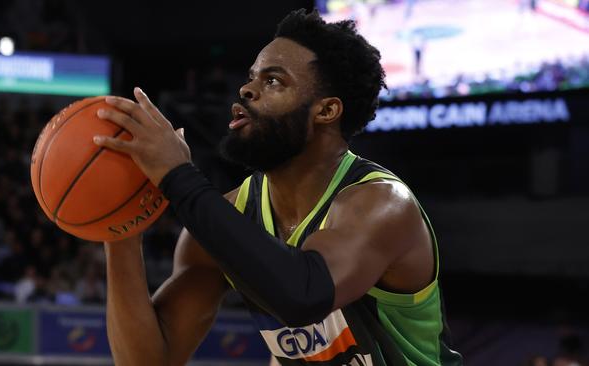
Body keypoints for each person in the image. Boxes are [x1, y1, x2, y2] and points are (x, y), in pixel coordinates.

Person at [94, 9, 463, 366]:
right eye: (252, 77)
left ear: (326, 111)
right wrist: (119, 229)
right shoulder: (231, 214)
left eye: (273, 81)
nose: (246, 90)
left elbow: (304, 294)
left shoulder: (381, 204)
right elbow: (149, 360)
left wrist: (178, 176)